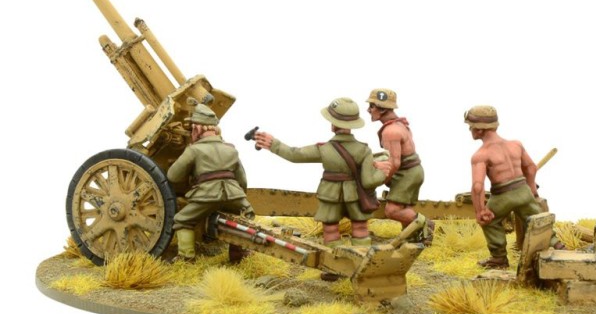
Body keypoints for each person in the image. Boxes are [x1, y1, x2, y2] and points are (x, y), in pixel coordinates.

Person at [254, 98, 386, 250]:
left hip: (329, 194)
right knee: (360, 227)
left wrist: (273, 144)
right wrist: (383, 173)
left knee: (330, 229)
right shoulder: (364, 150)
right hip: (355, 195)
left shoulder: (324, 149)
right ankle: (362, 257)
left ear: (333, 124)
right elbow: (369, 181)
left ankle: (333, 261)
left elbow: (295, 155)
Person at [167, 104, 254, 263]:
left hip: (206, 196)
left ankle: (186, 257)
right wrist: (240, 198)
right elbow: (242, 180)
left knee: (182, 220)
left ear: (197, 129)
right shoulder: (231, 149)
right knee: (242, 218)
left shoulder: (194, 150)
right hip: (234, 195)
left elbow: (173, 176)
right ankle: (239, 255)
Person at [465, 105, 544, 269]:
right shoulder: (516, 145)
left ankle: (498, 258)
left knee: (490, 221)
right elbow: (531, 168)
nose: (469, 130)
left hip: (502, 196)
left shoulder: (480, 155)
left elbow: (478, 187)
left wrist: (480, 211)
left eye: (470, 126)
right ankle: (553, 245)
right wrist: (532, 191)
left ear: (479, 129)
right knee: (537, 221)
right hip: (523, 191)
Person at [366, 88, 432, 244]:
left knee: (393, 210)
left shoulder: (390, 131)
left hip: (407, 173)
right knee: (403, 207)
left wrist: (380, 180)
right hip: (412, 171)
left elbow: (394, 163)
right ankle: (411, 235)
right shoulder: (400, 125)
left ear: (382, 109)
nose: (368, 110)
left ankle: (427, 226)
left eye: (372, 106)